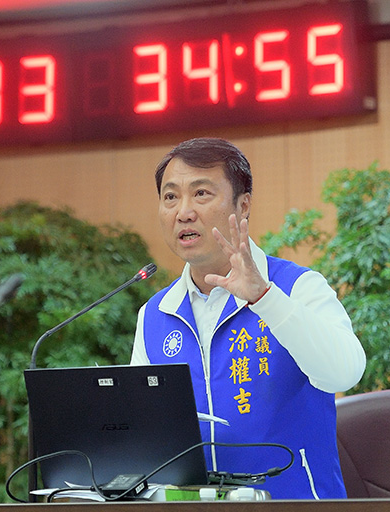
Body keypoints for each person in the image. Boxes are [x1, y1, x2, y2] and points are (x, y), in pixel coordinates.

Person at [130, 137, 366, 499]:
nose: (184, 212)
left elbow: (345, 372)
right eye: (170, 197)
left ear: (243, 206)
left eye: (201, 193)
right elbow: (143, 434)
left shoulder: (296, 287)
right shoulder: (155, 315)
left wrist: (265, 298)